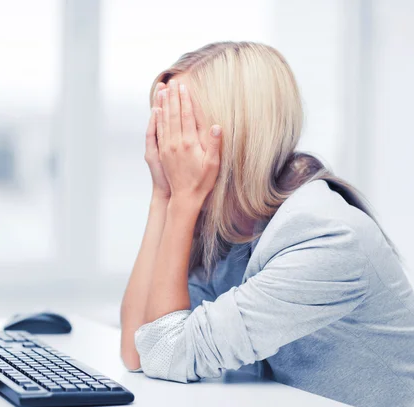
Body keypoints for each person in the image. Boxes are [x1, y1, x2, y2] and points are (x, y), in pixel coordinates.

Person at [120, 42, 414, 407]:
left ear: (242, 132)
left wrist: (182, 200)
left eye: (184, 126)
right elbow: (138, 348)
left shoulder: (324, 236)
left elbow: (166, 351)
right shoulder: (235, 225)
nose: (170, 148)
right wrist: (162, 195)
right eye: (165, 127)